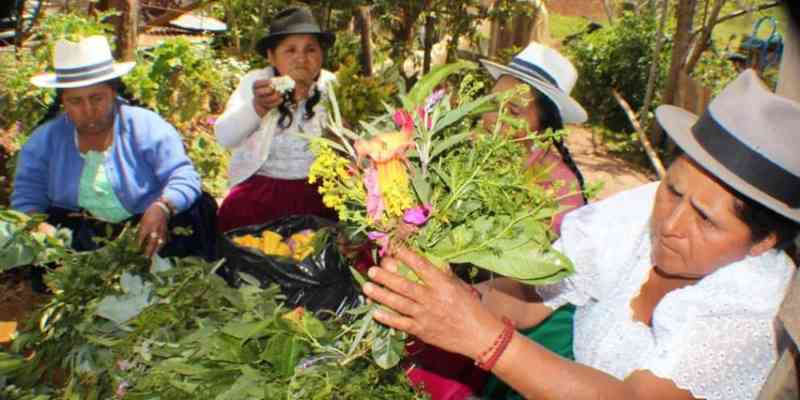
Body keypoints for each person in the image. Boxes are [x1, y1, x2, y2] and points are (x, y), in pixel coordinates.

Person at [364, 69, 800, 400]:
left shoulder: (749, 308)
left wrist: (481, 336)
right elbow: (534, 297)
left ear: (763, 242)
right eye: (672, 189)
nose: (669, 224)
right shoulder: (635, 213)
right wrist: (444, 298)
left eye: (705, 220)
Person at [405, 42, 590, 400]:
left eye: (514, 109)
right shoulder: (464, 151)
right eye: (492, 103)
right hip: (438, 295)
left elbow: (526, 290)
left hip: (494, 324)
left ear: (543, 124)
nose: (494, 117)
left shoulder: (560, 190)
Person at [12, 35, 217, 261]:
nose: (88, 110)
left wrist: (163, 207)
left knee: (192, 215)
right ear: (63, 101)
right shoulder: (45, 140)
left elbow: (184, 176)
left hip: (149, 225)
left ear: (113, 93)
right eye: (76, 101)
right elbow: (27, 197)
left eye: (96, 98)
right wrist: (39, 226)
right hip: (81, 235)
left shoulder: (145, 126)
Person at [214, 6, 337, 233]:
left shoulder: (333, 87)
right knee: (237, 216)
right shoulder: (256, 83)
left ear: (321, 55)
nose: (301, 58)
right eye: (290, 50)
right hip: (261, 190)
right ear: (272, 57)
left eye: (310, 49)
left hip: (321, 193)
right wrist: (257, 107)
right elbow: (224, 136)